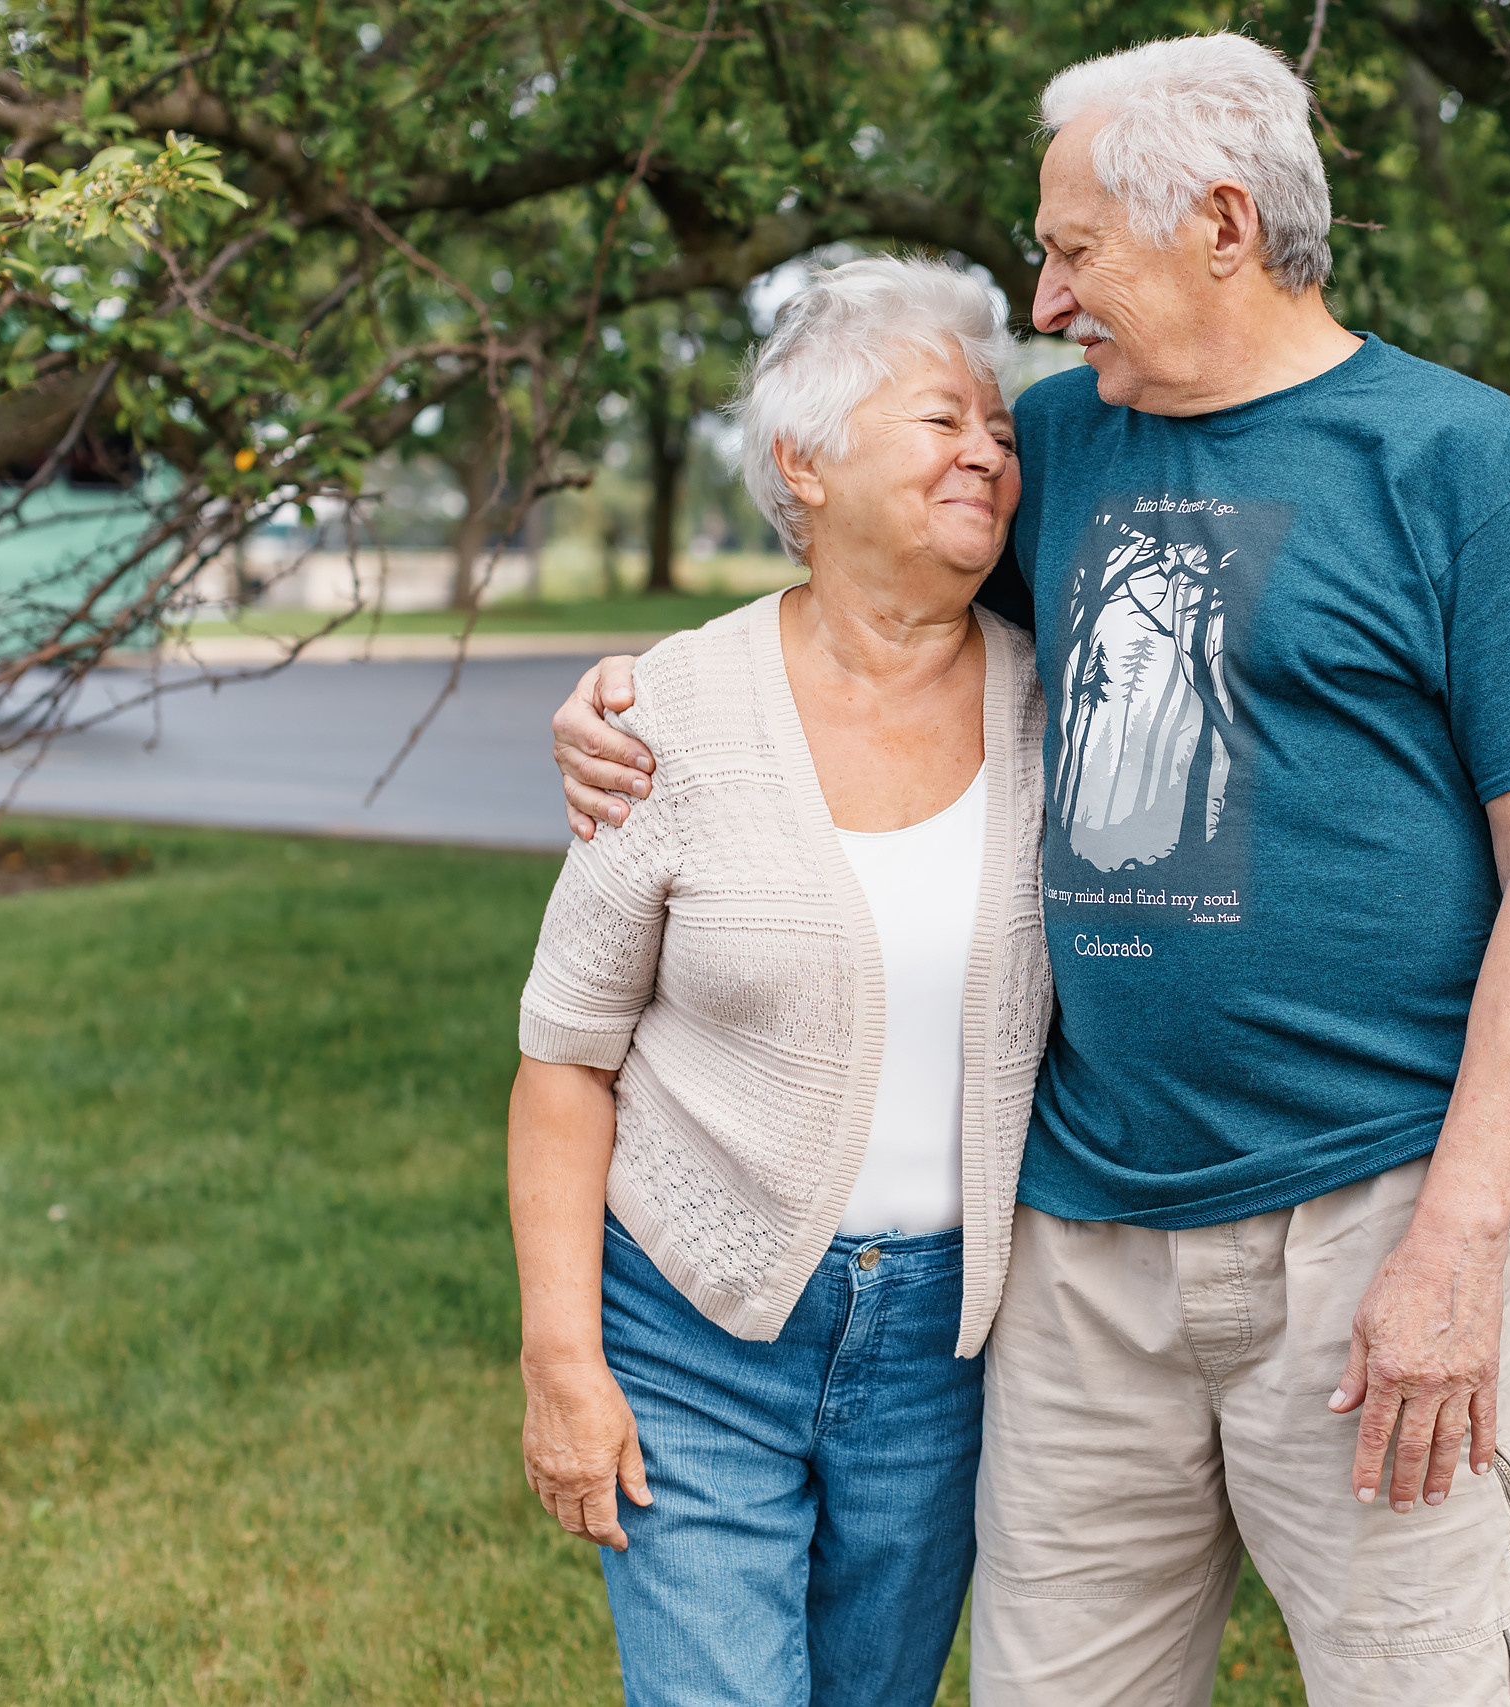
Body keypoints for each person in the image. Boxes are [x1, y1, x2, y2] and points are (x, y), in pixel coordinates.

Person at [554, 34, 1510, 1706]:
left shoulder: (1454, 459)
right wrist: (628, 697)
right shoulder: (1056, 451)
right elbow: (858, 609)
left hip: (1371, 1216)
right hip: (1078, 1240)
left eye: (1072, 251)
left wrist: (1457, 1242)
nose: (1048, 298)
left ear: (1221, 224)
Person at [507, 257, 1052, 1707]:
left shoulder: (1066, 705)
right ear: (801, 463)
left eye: (1000, 427)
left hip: (950, 1346)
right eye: (943, 419)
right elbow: (564, 1059)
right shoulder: (667, 712)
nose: (989, 451)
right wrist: (563, 1359)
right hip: (690, 1325)